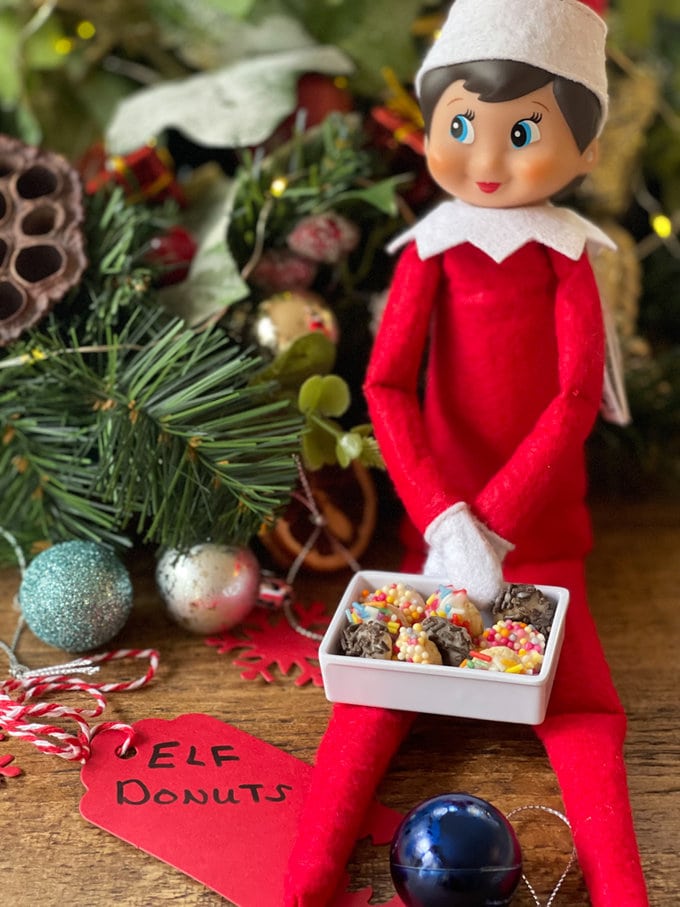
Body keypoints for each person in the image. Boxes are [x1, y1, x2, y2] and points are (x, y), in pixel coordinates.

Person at [284, 2, 648, 904]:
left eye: (523, 131)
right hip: (433, 538)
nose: (485, 162)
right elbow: (385, 389)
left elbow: (572, 400)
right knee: (369, 703)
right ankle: (299, 882)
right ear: (430, 124)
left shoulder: (567, 257)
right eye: (460, 126)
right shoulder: (430, 253)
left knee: (586, 710)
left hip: (544, 539)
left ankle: (624, 889)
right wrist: (448, 520)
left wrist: (499, 524)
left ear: (588, 148)